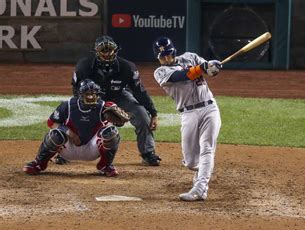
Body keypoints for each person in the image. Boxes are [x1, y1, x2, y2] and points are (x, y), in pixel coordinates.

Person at [64, 35, 161, 166]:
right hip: (91, 98)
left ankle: (148, 153)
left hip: (119, 95)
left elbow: (139, 92)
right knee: (77, 116)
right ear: (96, 52)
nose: (107, 53)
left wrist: (153, 113)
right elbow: (76, 90)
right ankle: (65, 152)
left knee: (142, 115)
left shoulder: (127, 67)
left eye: (109, 50)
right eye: (103, 50)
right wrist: (85, 108)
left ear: (115, 51)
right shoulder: (84, 66)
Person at [152, 37, 222, 201]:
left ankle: (200, 188)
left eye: (168, 55)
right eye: (162, 57)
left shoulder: (190, 57)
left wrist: (213, 67)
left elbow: (209, 70)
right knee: (191, 161)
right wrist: (202, 67)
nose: (166, 59)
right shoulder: (160, 72)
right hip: (188, 114)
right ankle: (203, 169)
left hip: (209, 108)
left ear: (173, 51)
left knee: (207, 149)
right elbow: (181, 76)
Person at [23, 79, 122, 177]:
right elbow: (51, 123)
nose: (91, 97)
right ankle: (39, 164)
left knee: (111, 133)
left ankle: (105, 165)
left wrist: (116, 115)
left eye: (94, 94)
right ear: (80, 94)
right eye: (88, 94)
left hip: (92, 149)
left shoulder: (103, 107)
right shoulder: (68, 105)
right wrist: (70, 133)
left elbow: (118, 124)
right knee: (55, 135)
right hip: (68, 149)